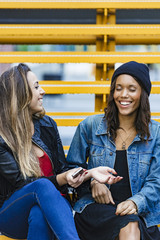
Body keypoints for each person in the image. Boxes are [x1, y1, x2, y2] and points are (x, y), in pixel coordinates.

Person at [0, 63, 122, 240]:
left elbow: (64, 172)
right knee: (41, 187)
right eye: (36, 87)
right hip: (12, 213)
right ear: (20, 95)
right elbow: (23, 184)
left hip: (53, 207)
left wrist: (90, 174)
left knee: (39, 215)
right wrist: (62, 178)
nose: (42, 91)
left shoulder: (47, 125)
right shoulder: (3, 137)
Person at [67, 61, 160, 240]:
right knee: (129, 225)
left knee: (131, 222)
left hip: (139, 213)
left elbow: (157, 182)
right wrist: (94, 181)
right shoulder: (90, 126)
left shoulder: (156, 134)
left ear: (143, 94)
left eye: (132, 89)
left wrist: (136, 202)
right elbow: (70, 171)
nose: (123, 95)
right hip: (95, 212)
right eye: (118, 88)